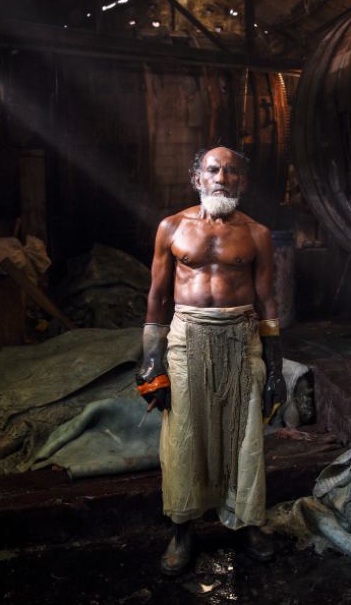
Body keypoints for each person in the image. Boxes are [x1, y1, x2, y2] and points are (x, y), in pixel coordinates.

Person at [136, 146, 287, 576]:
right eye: (213, 169)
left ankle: (246, 523)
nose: (222, 177)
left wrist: (275, 368)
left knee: (244, 435)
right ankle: (183, 529)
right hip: (187, 338)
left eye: (232, 171)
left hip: (241, 338)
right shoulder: (172, 228)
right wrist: (151, 360)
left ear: (242, 182)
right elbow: (157, 296)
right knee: (183, 432)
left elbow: (268, 300)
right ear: (197, 177)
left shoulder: (256, 233)